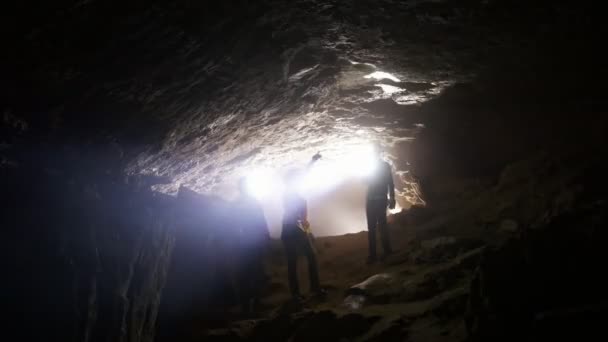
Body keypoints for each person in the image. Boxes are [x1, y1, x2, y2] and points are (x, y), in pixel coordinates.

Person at [281, 153, 325, 301]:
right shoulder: (291, 194)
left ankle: (297, 294)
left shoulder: (289, 193)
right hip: (294, 229)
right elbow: (298, 218)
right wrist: (307, 232)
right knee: (309, 257)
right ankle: (313, 289)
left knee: (293, 261)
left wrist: (312, 162)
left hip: (289, 229)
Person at [235, 178, 270, 314]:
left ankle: (248, 306)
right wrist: (265, 236)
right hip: (252, 241)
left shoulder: (237, 204)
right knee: (254, 272)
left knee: (247, 273)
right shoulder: (251, 202)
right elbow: (261, 220)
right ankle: (254, 304)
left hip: (246, 242)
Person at [366, 145, 396, 264]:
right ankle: (375, 254)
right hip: (372, 200)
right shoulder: (373, 166)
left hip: (377, 199)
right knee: (373, 228)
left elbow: (390, 183)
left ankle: (384, 252)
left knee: (380, 226)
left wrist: (392, 198)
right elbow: (365, 181)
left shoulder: (384, 166)